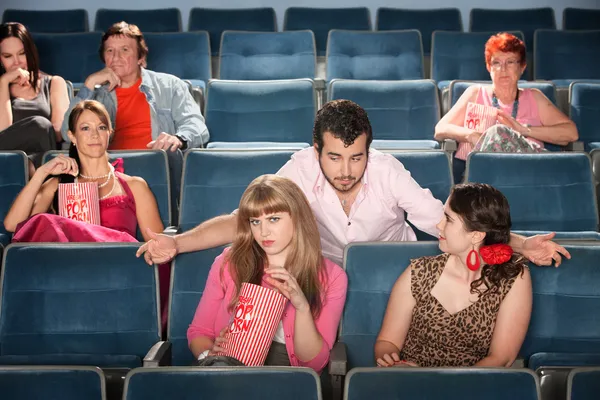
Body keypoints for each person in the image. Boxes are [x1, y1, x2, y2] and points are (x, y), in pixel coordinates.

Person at [137, 100, 570, 268]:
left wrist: (520, 241)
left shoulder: (387, 170)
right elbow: (242, 221)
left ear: (370, 150)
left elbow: (446, 222)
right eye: (334, 157)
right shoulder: (299, 170)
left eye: (356, 157)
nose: (345, 170)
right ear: (315, 151)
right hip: (321, 272)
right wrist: (176, 243)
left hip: (390, 270)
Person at [187, 174, 347, 373]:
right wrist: (208, 355)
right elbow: (199, 331)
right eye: (255, 221)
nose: (263, 232)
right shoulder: (228, 262)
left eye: (273, 219)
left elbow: (314, 364)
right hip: (228, 369)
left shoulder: (332, 276)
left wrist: (302, 307)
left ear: (297, 218)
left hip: (286, 375)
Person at [375, 183, 532, 367]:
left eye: (448, 219)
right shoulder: (419, 272)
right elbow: (387, 342)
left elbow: (501, 358)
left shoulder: (513, 277)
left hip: (473, 388)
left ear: (476, 235)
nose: (438, 225)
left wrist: (451, 386)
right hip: (412, 382)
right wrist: (393, 363)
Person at [60, 21, 209, 203]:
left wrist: (177, 138)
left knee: (171, 152)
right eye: (110, 51)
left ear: (140, 58)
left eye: (124, 50)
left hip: (155, 165)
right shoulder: (94, 95)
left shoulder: (170, 85)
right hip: (109, 170)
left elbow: (197, 126)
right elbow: (66, 133)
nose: (116, 57)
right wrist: (89, 84)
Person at [4, 100, 164, 242]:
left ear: (109, 133)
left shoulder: (135, 185)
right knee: (44, 222)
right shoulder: (58, 185)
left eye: (101, 127)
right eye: (85, 128)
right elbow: (13, 225)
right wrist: (41, 173)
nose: (94, 135)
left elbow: (157, 246)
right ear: (72, 136)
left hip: (118, 266)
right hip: (73, 269)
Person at [435, 32, 578, 184]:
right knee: (494, 134)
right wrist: (472, 135)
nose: (503, 69)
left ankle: (471, 191)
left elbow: (571, 133)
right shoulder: (475, 94)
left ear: (522, 67)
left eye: (510, 62)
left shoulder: (534, 97)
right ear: (489, 67)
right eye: (496, 63)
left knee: (498, 132)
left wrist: (524, 130)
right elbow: (441, 129)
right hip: (489, 177)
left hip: (528, 173)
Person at [0, 22, 69, 170]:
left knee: (42, 128)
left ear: (30, 52)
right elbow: (3, 133)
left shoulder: (54, 83)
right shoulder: (1, 86)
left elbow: (59, 134)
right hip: (6, 159)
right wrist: (4, 82)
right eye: (7, 56)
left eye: (22, 53)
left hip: (39, 159)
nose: (16, 62)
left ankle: (33, 173)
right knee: (40, 124)